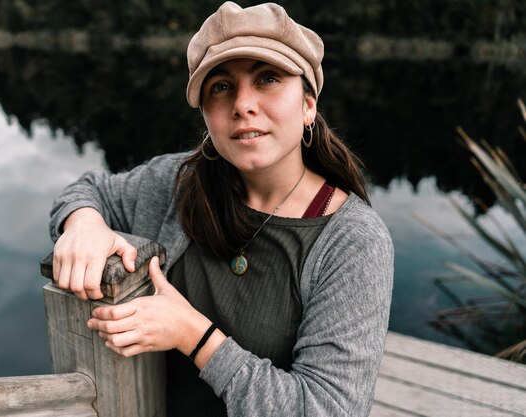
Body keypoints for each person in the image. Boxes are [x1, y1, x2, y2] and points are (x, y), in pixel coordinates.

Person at [49, 2, 393, 416]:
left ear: (308, 104)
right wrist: (83, 223)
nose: (243, 104)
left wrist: (191, 334)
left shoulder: (353, 241)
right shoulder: (177, 183)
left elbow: (325, 409)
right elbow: (88, 190)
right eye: (222, 86)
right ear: (206, 115)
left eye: (267, 78)